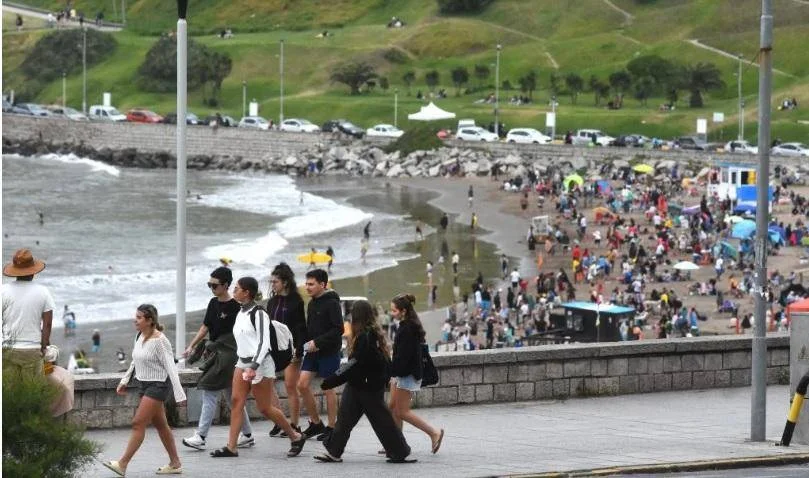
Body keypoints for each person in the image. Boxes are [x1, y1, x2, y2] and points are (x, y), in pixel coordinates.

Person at [210, 277, 306, 458]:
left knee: (264, 408)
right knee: (236, 402)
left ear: (246, 292)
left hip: (260, 364)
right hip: (242, 362)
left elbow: (264, 343)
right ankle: (231, 447)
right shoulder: (240, 313)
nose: (234, 290)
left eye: (237, 288)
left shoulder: (259, 313)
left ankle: (295, 436)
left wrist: (254, 365)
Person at [314, 300, 412, 463]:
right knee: (349, 419)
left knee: (379, 420)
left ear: (357, 316)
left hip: (366, 387)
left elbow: (353, 364)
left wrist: (330, 381)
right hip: (364, 385)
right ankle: (334, 452)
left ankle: (399, 451)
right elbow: (384, 362)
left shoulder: (364, 338)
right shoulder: (373, 334)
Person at [102, 304, 186, 476]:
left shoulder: (160, 341)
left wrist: (179, 395)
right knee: (161, 425)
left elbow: (171, 368)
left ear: (149, 320)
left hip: (158, 385)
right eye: (136, 316)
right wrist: (124, 380)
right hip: (144, 385)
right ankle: (175, 463)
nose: (136, 320)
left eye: (139, 317)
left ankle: (123, 464)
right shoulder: (139, 336)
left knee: (138, 423)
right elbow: (135, 361)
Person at [181, 267, 254, 451]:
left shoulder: (237, 308)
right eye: (209, 285)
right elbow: (205, 327)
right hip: (216, 353)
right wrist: (191, 346)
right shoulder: (213, 303)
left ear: (226, 285)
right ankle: (247, 435)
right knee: (232, 398)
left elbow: (246, 333)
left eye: (215, 285)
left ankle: (201, 436)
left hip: (229, 355)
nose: (212, 288)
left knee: (209, 391)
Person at [387, 294, 444, 453]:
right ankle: (396, 443)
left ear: (403, 311)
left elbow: (404, 358)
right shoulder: (406, 325)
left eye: (394, 310)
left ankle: (434, 433)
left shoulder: (407, 329)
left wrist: (391, 371)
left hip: (406, 374)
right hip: (401, 372)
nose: (392, 313)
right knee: (392, 406)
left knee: (401, 411)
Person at [297, 269, 343, 443]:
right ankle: (316, 423)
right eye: (306, 283)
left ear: (322, 284)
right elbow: (310, 329)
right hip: (312, 352)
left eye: (311, 284)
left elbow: (339, 329)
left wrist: (318, 342)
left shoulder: (332, 303)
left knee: (328, 389)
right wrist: (302, 347)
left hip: (329, 352)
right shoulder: (312, 304)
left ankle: (332, 427)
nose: (307, 287)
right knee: (302, 385)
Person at [266, 263, 308, 438]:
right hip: (273, 349)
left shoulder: (296, 301)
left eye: (275, 281)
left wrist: (298, 349)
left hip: (291, 348)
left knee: (291, 385)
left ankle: (294, 424)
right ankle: (279, 421)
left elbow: (301, 327)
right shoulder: (272, 302)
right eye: (271, 281)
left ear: (285, 282)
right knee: (269, 385)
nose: (272, 284)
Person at [2, 248, 54, 376]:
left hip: (8, 349)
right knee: (32, 392)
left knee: (9, 393)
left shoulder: (3, 291)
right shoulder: (43, 292)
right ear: (33, 272)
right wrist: (43, 346)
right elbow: (47, 324)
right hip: (32, 350)